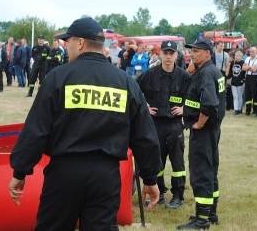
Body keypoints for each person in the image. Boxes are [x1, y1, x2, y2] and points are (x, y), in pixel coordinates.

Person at [9, 17, 161, 231]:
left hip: (64, 174)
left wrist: (20, 172)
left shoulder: (57, 78)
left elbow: (36, 130)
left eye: (67, 41)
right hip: (105, 177)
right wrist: (150, 178)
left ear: (80, 43)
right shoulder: (125, 82)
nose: (66, 46)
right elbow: (144, 135)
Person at [177, 38, 225, 230]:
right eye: (192, 51)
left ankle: (201, 219)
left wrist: (198, 123)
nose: (192, 54)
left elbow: (210, 103)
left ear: (208, 53)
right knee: (211, 168)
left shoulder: (206, 73)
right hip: (213, 130)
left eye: (197, 51)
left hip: (204, 131)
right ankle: (211, 212)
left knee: (201, 172)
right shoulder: (212, 71)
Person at [137, 40, 190, 209]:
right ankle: (158, 193)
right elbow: (134, 92)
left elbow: (196, 97)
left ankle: (178, 196)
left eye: (171, 53)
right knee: (156, 161)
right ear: (160, 54)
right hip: (155, 125)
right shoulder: (149, 75)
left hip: (175, 126)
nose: (168, 57)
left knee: (177, 164)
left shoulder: (184, 77)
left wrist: (185, 108)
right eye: (165, 53)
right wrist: (144, 107)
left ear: (176, 55)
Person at [242, 46, 257, 116]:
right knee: (247, 94)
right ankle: (248, 110)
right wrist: (249, 67)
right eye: (250, 51)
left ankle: (256, 111)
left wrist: (248, 67)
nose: (251, 53)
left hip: (254, 77)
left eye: (253, 51)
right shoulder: (247, 58)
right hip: (247, 77)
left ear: (256, 52)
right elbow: (243, 68)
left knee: (255, 94)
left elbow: (255, 69)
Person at [226, 50, 245, 115]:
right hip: (233, 82)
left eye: (237, 56)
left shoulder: (243, 63)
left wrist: (243, 80)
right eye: (235, 56)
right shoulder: (233, 63)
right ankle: (236, 109)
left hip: (240, 82)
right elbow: (230, 73)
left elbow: (244, 72)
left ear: (240, 56)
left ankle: (240, 109)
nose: (236, 57)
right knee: (235, 96)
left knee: (239, 96)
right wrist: (227, 77)